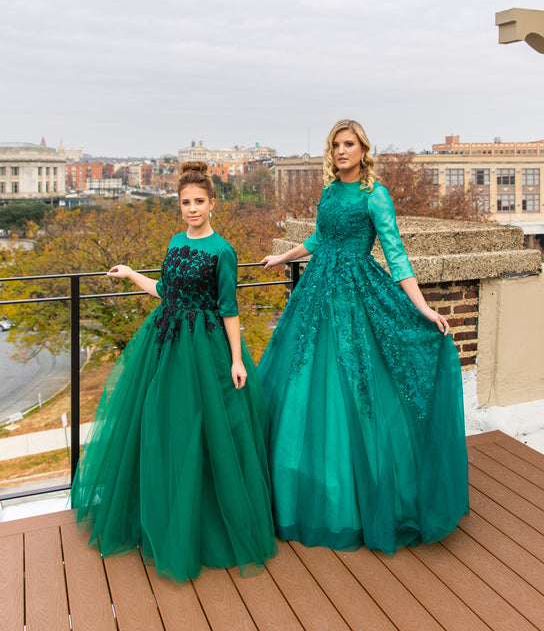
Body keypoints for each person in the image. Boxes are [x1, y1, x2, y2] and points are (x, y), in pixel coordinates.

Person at [258, 119, 469, 553]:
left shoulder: (376, 195)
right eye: (335, 144)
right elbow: (319, 238)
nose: (340, 151)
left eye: (348, 144)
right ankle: (304, 488)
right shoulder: (330, 191)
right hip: (316, 295)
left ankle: (362, 498)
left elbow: (395, 253)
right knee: (304, 384)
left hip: (357, 296)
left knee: (357, 388)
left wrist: (423, 307)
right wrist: (283, 256)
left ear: (362, 149)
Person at [71, 161, 277, 582]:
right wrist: (131, 274)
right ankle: (164, 515)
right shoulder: (173, 240)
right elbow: (166, 291)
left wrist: (238, 359)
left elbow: (229, 309)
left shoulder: (223, 251)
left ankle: (206, 526)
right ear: (179, 205)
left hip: (204, 349)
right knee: (162, 425)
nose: (192, 209)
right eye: (185, 202)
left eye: (199, 202)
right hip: (164, 342)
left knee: (208, 431)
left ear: (213, 204)